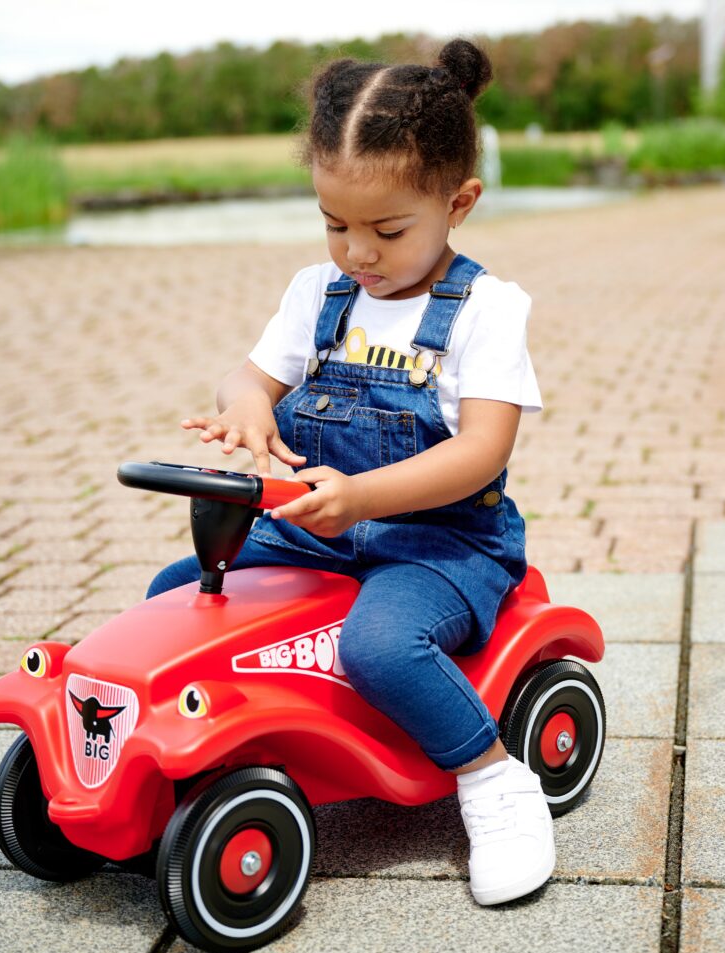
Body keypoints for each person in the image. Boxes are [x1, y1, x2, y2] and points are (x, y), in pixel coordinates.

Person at [147, 38, 553, 907]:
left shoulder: (487, 308)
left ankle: (492, 780)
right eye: (335, 225)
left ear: (460, 202)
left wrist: (362, 497)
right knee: (179, 589)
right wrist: (248, 405)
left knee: (380, 644)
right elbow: (252, 375)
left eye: (387, 229)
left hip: (439, 544)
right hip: (320, 531)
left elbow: (483, 449)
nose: (357, 253)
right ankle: (229, 751)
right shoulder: (316, 294)